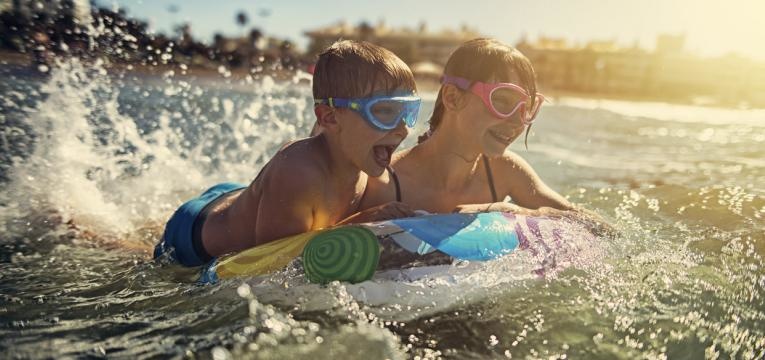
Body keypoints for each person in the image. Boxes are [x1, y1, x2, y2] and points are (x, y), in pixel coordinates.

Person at [154, 40, 419, 267]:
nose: (403, 129)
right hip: (194, 233)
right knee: (131, 249)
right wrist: (363, 222)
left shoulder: (354, 149)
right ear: (329, 118)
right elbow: (271, 263)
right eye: (384, 112)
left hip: (245, 200)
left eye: (409, 113)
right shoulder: (298, 171)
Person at [360, 38, 611, 232]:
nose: (517, 121)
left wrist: (508, 211)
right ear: (452, 98)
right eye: (502, 100)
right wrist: (364, 219)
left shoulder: (504, 171)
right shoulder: (383, 183)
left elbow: (597, 227)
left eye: (528, 108)